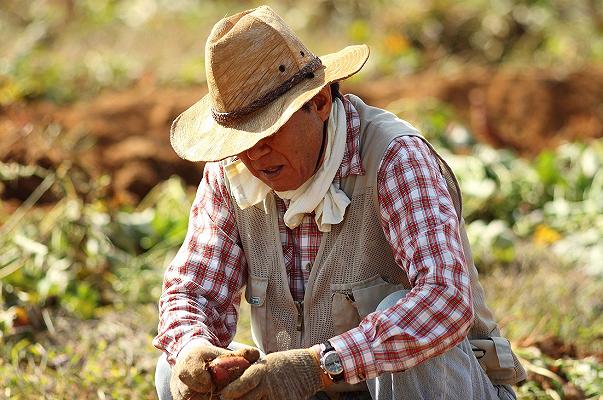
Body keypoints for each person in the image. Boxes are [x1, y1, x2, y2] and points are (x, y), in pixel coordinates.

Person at [153, 5, 526, 400]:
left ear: (320, 103)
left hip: (433, 388)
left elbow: (445, 298)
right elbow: (194, 292)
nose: (255, 154)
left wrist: (319, 365)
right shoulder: (231, 175)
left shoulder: (394, 158)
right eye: (241, 140)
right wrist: (193, 347)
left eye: (269, 130)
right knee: (175, 370)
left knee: (412, 320)